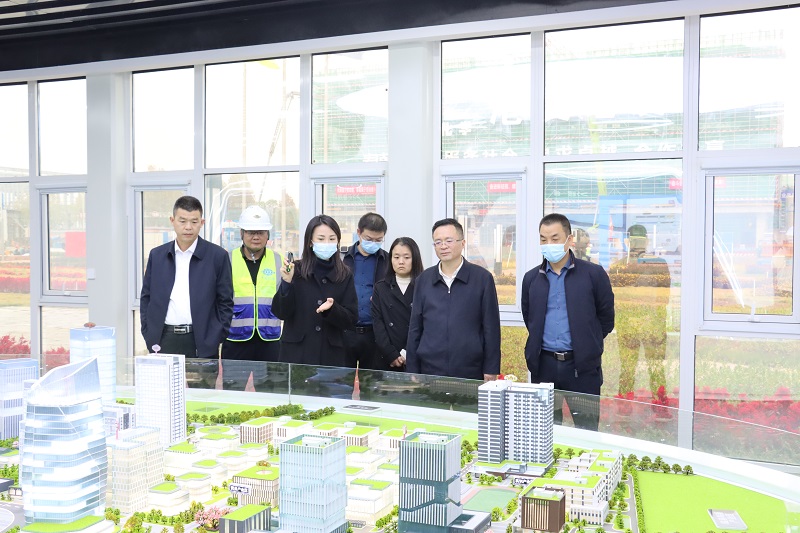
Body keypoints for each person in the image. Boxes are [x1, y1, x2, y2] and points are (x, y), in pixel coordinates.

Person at [521, 213, 614, 431]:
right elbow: (530, 318)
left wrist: (587, 342)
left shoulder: (593, 274)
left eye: (555, 239)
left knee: (586, 430)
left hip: (581, 368)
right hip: (543, 366)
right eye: (543, 239)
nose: (548, 244)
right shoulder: (532, 278)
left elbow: (606, 319)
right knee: (544, 431)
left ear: (569, 239)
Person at [406, 218, 501, 380]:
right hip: (430, 368)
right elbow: (415, 327)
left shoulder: (482, 279)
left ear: (462, 243)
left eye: (449, 241)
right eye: (438, 242)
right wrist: (412, 368)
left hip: (470, 368)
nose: (443, 246)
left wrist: (491, 368)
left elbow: (491, 327)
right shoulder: (424, 280)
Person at [140, 195, 234, 358]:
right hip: (163, 339)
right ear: (172, 221)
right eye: (182, 221)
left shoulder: (217, 256)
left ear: (202, 223)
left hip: (202, 341)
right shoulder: (157, 255)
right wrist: (149, 332)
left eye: (194, 222)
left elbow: (225, 301)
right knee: (164, 377)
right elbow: (146, 297)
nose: (188, 227)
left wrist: (216, 337)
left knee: (202, 376)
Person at [272, 215, 358, 366]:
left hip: (330, 356)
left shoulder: (345, 274)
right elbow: (281, 313)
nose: (327, 243)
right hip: (297, 354)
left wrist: (332, 310)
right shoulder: (295, 270)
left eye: (332, 239)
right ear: (310, 242)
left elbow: (351, 319)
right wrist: (286, 283)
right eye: (321, 239)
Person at [610, 224, 670, 397]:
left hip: (641, 324)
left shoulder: (619, 266)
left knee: (642, 367)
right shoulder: (620, 267)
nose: (637, 246)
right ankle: (652, 402)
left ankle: (630, 403)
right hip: (642, 324)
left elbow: (663, 298)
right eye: (635, 242)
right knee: (637, 368)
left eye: (639, 242)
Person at [221, 205, 283, 362]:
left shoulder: (279, 261)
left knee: (272, 380)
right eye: (250, 232)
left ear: (268, 235)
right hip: (235, 339)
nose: (256, 237)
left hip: (270, 340)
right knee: (233, 380)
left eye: (260, 232)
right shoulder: (227, 260)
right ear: (241, 233)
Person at [342, 213, 390, 369]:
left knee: (371, 381)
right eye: (369, 239)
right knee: (341, 380)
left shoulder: (388, 261)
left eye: (378, 240)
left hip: (374, 333)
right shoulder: (342, 259)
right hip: (345, 331)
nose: (373, 243)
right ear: (359, 232)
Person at [371, 237, 424, 371]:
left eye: (406, 257)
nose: (401, 261)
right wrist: (391, 354)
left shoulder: (424, 286)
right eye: (396, 257)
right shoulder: (380, 287)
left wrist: (406, 352)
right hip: (386, 357)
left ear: (415, 259)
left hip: (415, 354)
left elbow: (425, 324)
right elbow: (378, 323)